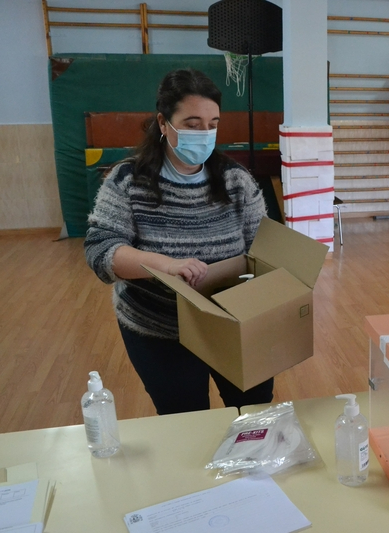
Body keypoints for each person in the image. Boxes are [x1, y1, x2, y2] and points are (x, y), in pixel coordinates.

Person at [85, 68, 275, 415]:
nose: (204, 134)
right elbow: (101, 251)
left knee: (253, 414)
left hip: (234, 324)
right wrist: (166, 265)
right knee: (186, 420)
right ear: (163, 123)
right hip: (159, 331)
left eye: (212, 124)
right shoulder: (129, 180)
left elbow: (262, 249)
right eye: (191, 124)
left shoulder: (236, 180)